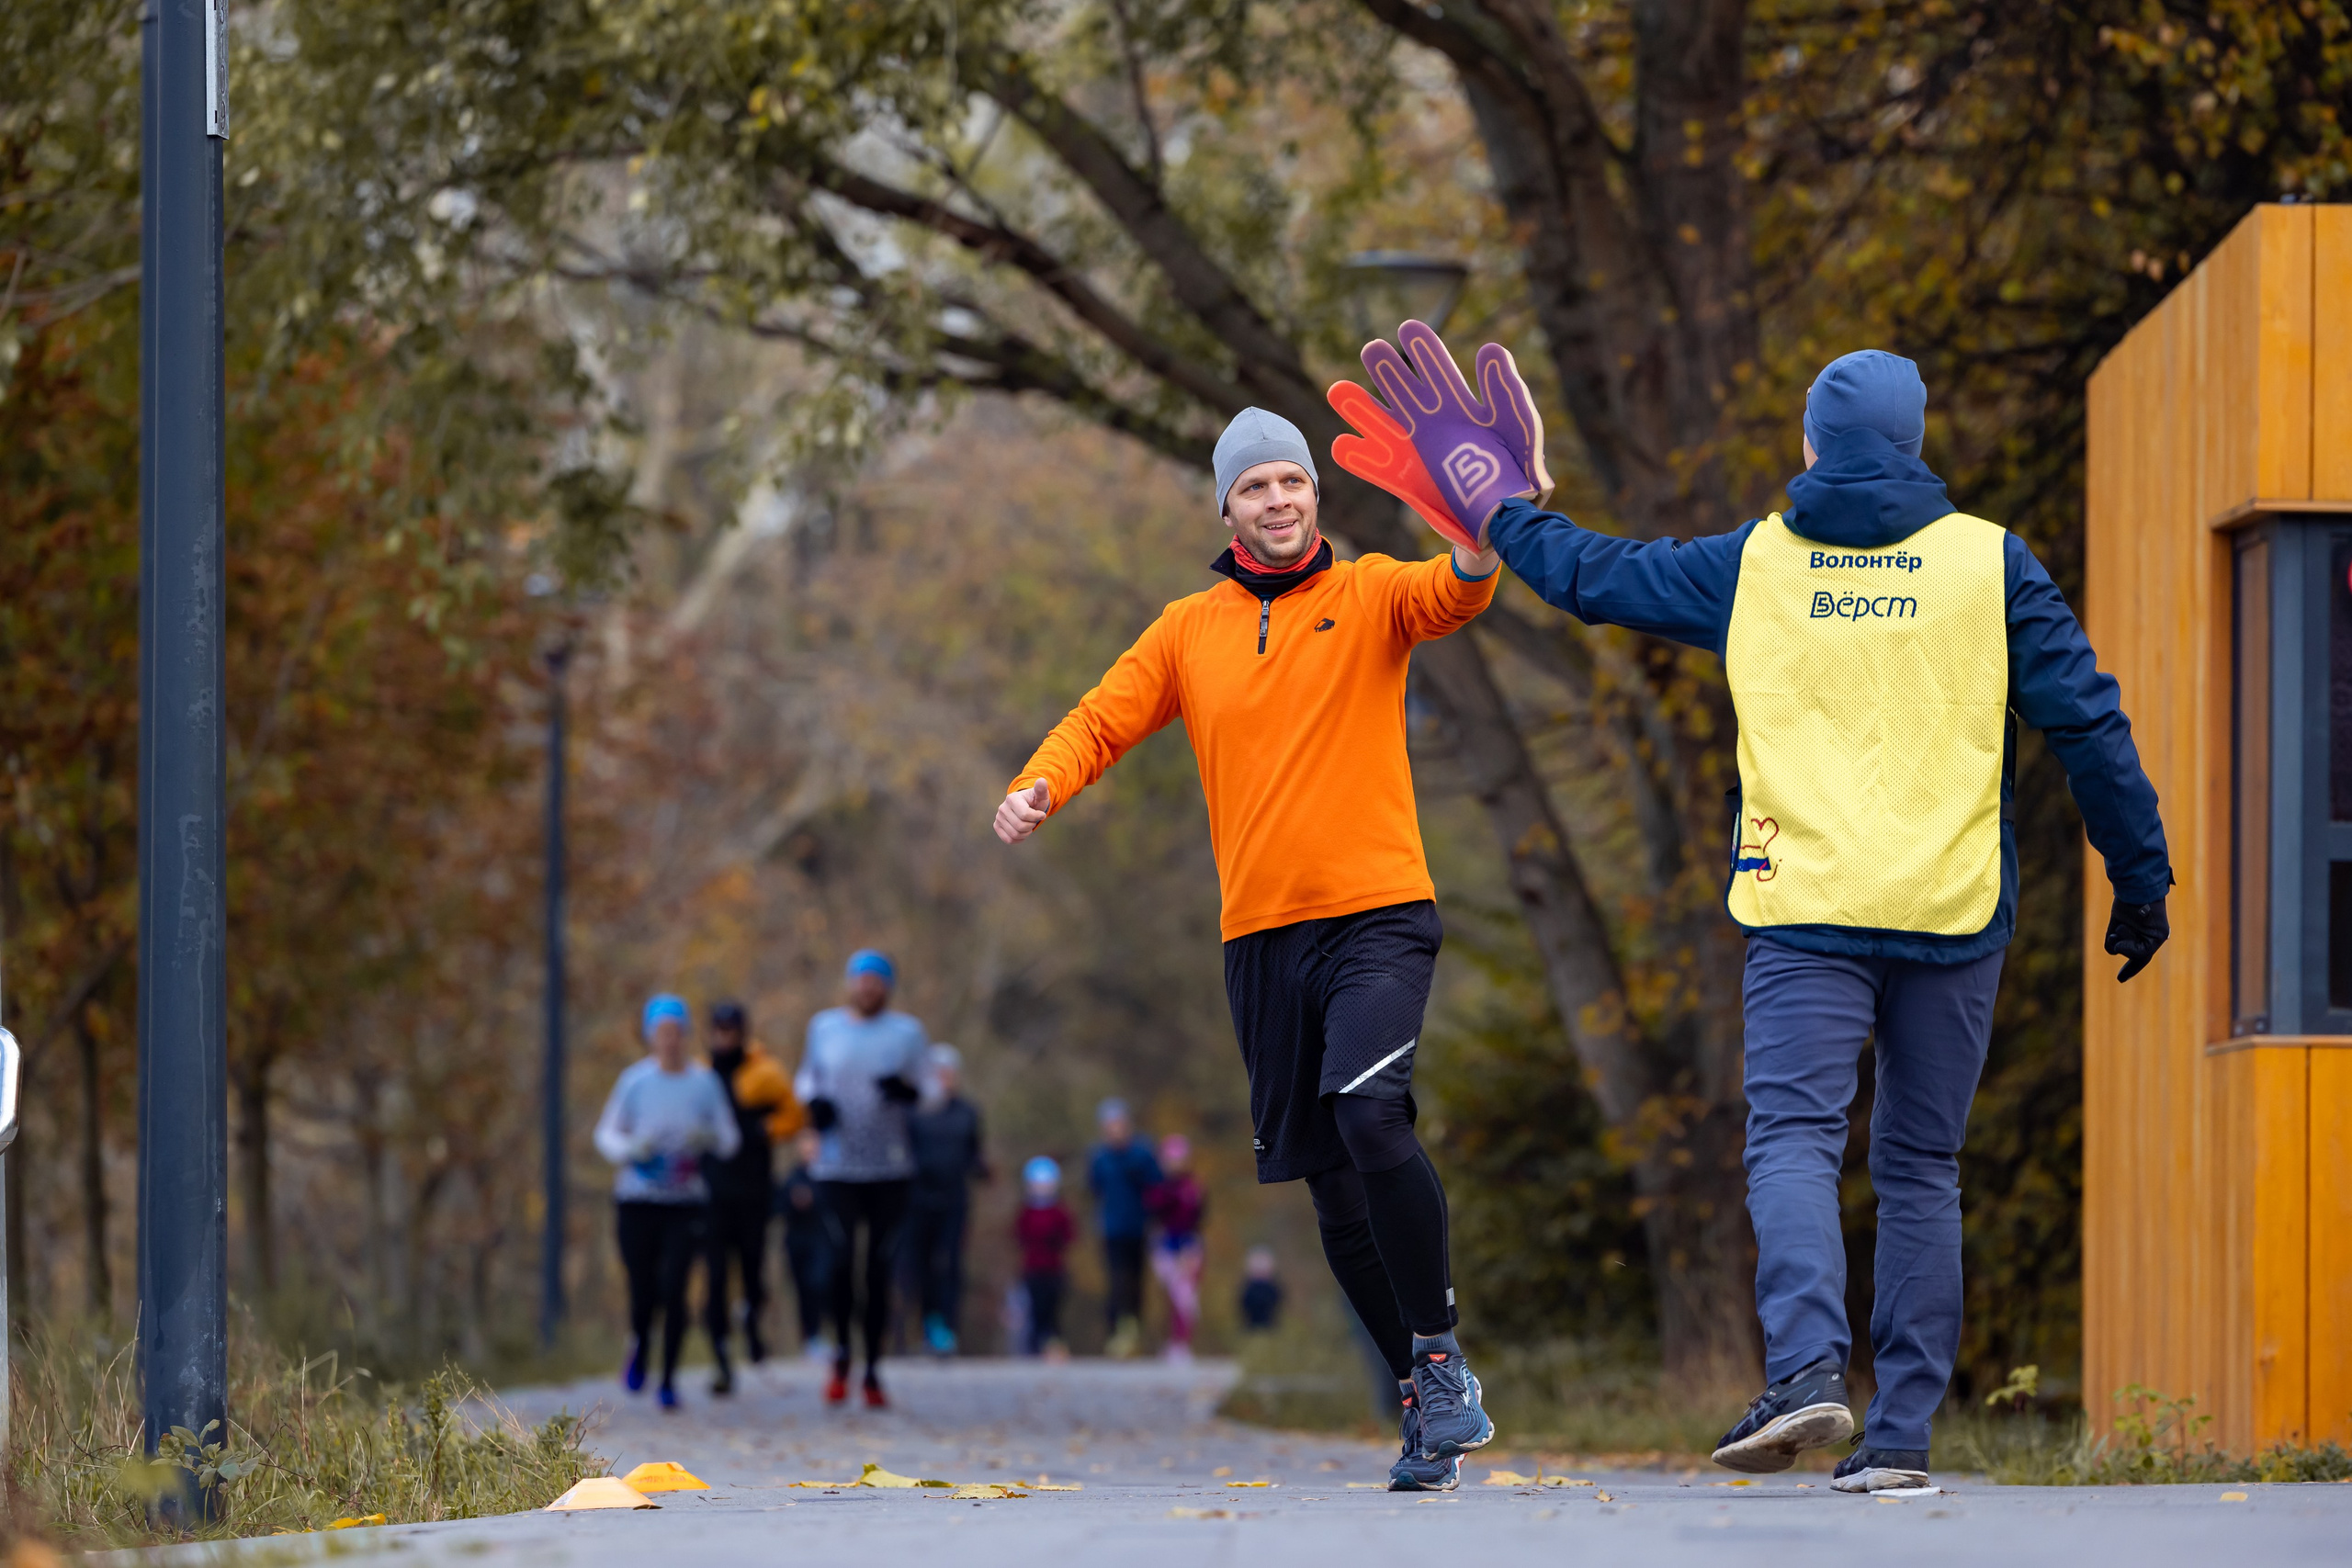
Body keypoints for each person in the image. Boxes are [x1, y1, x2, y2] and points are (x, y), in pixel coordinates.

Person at [1392, 339, 2172, 1493]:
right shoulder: (1991, 566)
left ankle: (1808, 1371)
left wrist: (1500, 510)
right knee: (1920, 1167)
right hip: (1951, 910)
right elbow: (2091, 728)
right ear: (1914, 444)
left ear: (1809, 445)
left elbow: (1593, 578)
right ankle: (1900, 1439)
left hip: (1803, 908)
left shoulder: (1755, 564)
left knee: (1796, 1141)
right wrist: (2139, 879)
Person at [993, 404, 1501, 1492]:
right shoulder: (1188, 628)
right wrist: (1041, 781)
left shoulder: (1368, 593)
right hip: (1262, 940)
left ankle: (1440, 1357)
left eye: (1294, 484)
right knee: (1328, 1186)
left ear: (1317, 496)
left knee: (1373, 1117)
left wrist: (1471, 539)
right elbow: (1099, 719)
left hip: (1377, 915)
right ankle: (1418, 1403)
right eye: (1257, 487)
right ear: (1225, 506)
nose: (1279, 501)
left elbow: (1452, 592)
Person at [795, 948, 929, 1407]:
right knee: (837, 1264)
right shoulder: (824, 1027)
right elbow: (806, 1081)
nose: (868, 987)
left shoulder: (907, 1033)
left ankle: (872, 1368)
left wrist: (908, 1092)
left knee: (878, 1271)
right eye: (861, 979)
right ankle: (840, 1356)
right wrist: (815, 1106)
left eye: (877, 980)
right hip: (836, 1167)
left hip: (891, 1169)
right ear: (850, 983)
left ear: (887, 986)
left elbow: (930, 1092)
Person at [593, 993, 740, 1410]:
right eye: (662, 1033)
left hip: (686, 1203)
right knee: (643, 1290)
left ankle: (669, 1379)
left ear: (686, 1036)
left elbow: (730, 1139)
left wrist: (708, 1140)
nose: (670, 1041)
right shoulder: (634, 1081)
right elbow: (605, 1135)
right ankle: (639, 1340)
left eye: (676, 1033)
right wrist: (631, 1148)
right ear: (650, 1037)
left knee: (675, 1289)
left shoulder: (704, 1083)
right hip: (637, 1202)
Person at [702, 999, 804, 1387]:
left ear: (743, 1032)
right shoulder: (701, 1075)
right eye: (718, 1029)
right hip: (711, 1191)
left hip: (755, 1189)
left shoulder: (767, 1074)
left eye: (731, 1030)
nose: (724, 1037)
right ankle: (721, 1355)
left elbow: (794, 1116)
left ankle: (752, 1322)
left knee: (752, 1268)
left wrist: (765, 1131)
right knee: (714, 1274)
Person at [904, 1043, 989, 1357]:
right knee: (922, 1267)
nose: (944, 1078)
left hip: (954, 1200)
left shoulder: (968, 1112)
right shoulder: (913, 1111)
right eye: (938, 1072)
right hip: (919, 1201)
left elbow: (973, 1153)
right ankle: (929, 1323)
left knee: (952, 1264)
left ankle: (948, 1329)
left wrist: (983, 1170)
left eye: (949, 1072)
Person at [1085, 1100, 1161, 1359]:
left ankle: (1134, 1331)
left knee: (1136, 1281)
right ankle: (1115, 1332)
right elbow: (1094, 1188)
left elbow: (1156, 1186)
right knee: (1116, 1281)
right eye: (1110, 1125)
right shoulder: (1099, 1157)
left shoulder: (1142, 1153)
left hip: (1138, 1227)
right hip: (1111, 1228)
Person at [1146, 1134, 1206, 1361]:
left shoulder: (1193, 1187)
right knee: (1171, 1297)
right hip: (1166, 1247)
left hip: (1188, 1246)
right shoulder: (1159, 1188)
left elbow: (1198, 1219)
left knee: (1185, 1297)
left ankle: (1182, 1344)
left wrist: (1191, 1250)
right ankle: (1171, 1342)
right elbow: (1155, 1216)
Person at [774, 1129, 833, 1361]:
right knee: (804, 1292)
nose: (809, 1147)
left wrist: (813, 1199)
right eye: (805, 1142)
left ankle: (829, 1336)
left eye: (813, 1141)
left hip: (823, 1243)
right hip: (797, 1244)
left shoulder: (830, 1175)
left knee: (821, 1285)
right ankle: (812, 1338)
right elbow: (778, 1207)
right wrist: (793, 1200)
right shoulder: (792, 1176)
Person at [1014, 1156, 1076, 1358]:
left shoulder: (1059, 1211)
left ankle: (1053, 1345)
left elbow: (1069, 1236)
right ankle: (1034, 1346)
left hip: (1055, 1268)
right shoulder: (1026, 1211)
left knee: (1053, 1309)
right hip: (1032, 1269)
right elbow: (1019, 1236)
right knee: (1035, 1309)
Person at [1239, 1246, 1283, 1332]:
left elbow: (1278, 1300)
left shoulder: (1271, 1287)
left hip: (1269, 1325)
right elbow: (1244, 1303)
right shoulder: (1249, 1287)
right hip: (1251, 1325)